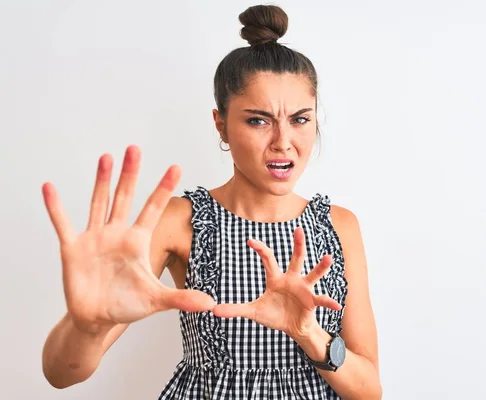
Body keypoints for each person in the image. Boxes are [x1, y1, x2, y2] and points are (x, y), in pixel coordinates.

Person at [41, 4, 381, 399]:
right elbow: (60, 375)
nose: (283, 142)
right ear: (220, 123)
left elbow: (369, 390)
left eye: (300, 119)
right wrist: (87, 326)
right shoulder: (181, 219)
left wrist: (308, 332)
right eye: (259, 120)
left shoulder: (340, 225)